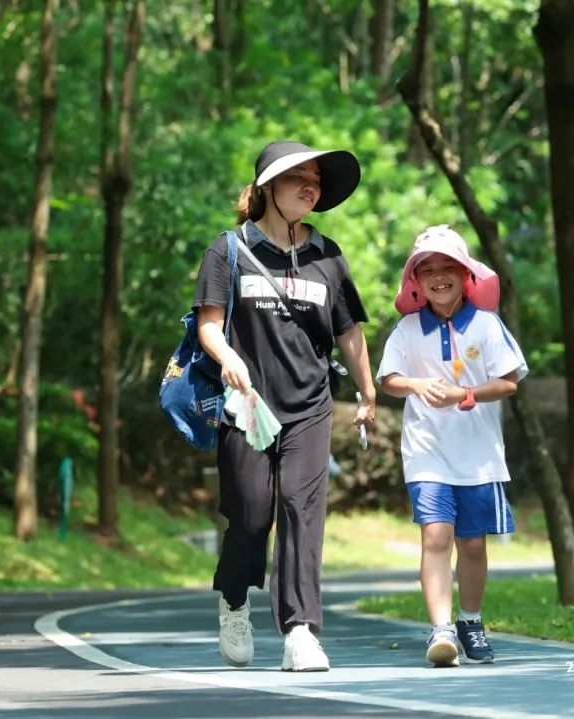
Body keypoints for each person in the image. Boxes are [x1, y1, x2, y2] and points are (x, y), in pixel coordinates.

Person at [192, 140, 376, 672]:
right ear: (269, 187)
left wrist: (366, 392)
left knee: (302, 510)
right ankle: (233, 599)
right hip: (246, 406)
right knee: (251, 515)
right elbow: (208, 324)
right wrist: (228, 358)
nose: (310, 185)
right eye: (299, 176)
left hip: (310, 407)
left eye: (316, 179)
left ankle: (300, 631)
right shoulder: (228, 250)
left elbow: (349, 332)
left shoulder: (328, 257)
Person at [376, 224, 528, 668]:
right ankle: (441, 629)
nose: (438, 276)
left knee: (473, 544)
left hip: (479, 456)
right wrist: (419, 384)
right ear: (416, 282)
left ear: (466, 275)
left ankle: (471, 620)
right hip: (426, 451)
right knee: (436, 536)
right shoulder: (407, 329)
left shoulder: (487, 324)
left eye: (448, 267)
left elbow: (509, 381)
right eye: (428, 270)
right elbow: (390, 379)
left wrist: (466, 394)